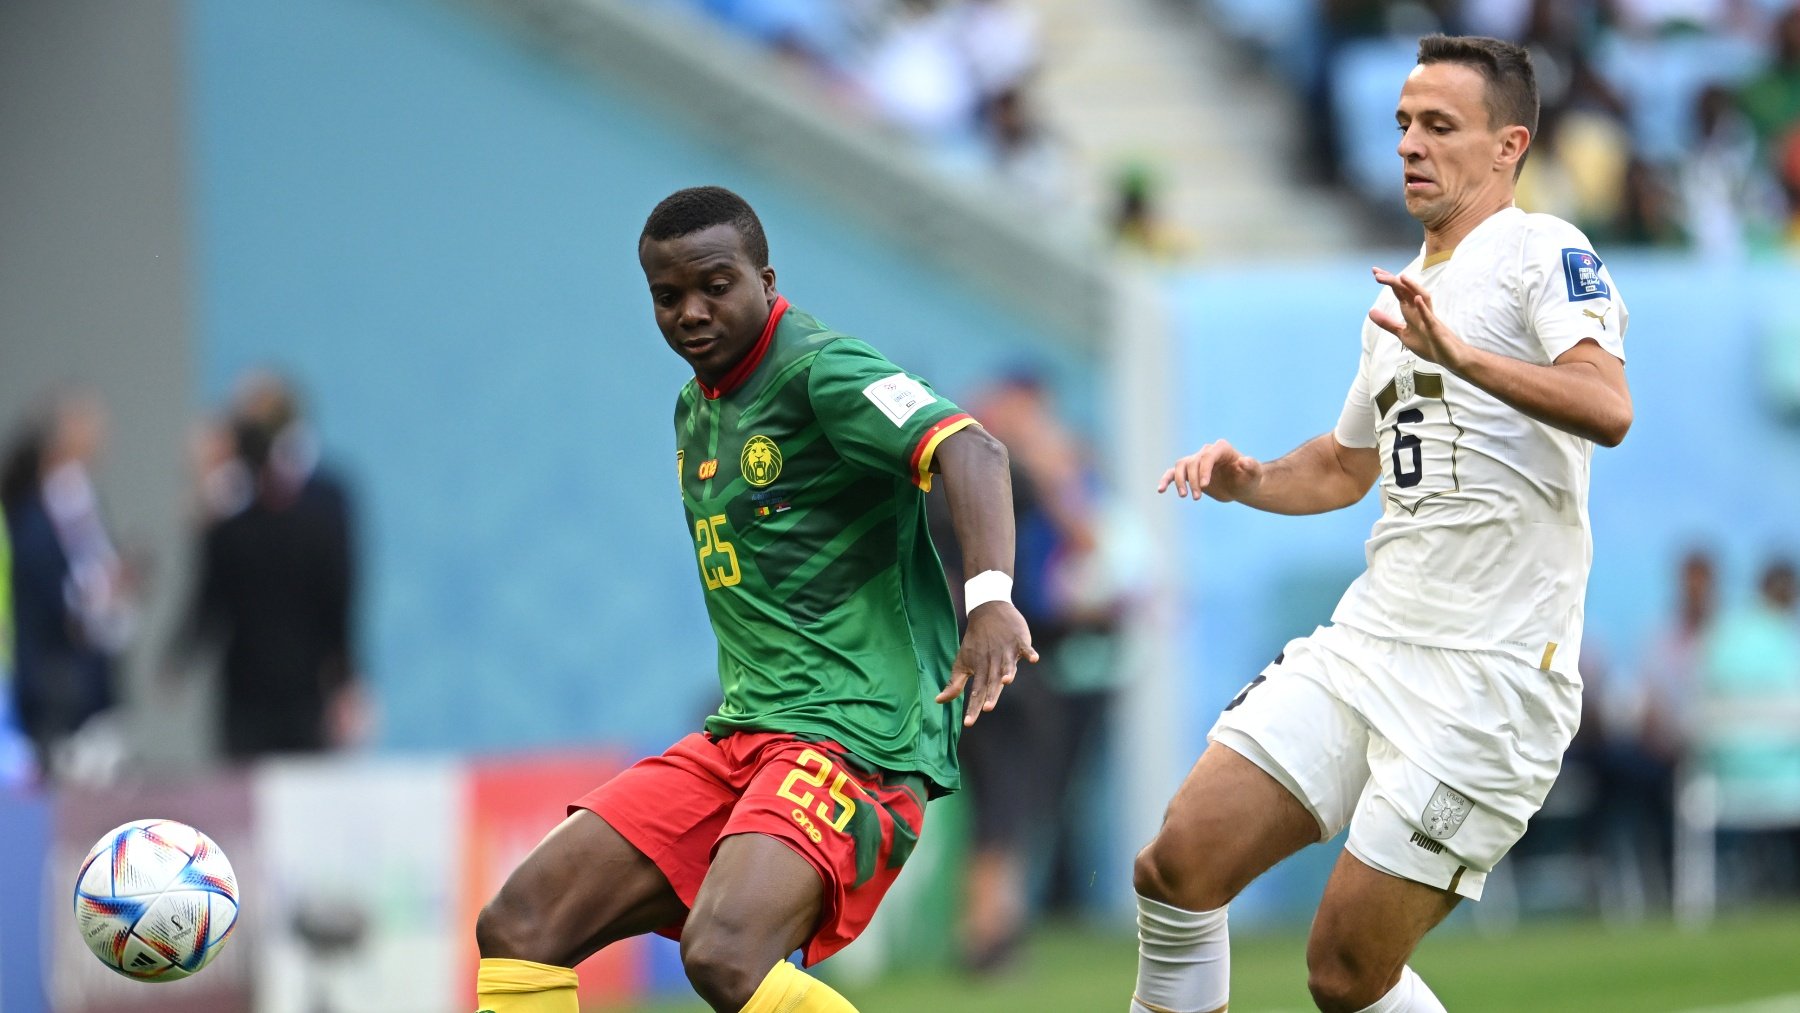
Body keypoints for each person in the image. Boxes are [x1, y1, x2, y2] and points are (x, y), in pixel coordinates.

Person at [1131, 35, 1633, 1013]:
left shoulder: (1545, 250)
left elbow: (1606, 405)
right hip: (1371, 642)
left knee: (1345, 972)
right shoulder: (1396, 301)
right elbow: (1343, 466)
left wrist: (1466, 357)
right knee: (1177, 866)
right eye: (1402, 122)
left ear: (1507, 147)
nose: (1409, 142)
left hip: (1491, 677)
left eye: (1439, 125)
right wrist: (1249, 477)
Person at [473, 186, 1035, 1013]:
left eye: (716, 285)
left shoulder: (820, 370)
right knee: (519, 922)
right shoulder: (696, 405)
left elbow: (973, 447)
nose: (692, 312)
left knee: (726, 953)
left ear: (766, 278)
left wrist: (990, 600)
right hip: (748, 733)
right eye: (669, 296)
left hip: (855, 733)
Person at [169, 373, 362, 760]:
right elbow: (212, 592)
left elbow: (340, 595)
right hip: (246, 691)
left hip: (307, 690)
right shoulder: (230, 508)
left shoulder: (325, 500)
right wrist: (181, 654)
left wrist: (346, 680)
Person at [1, 391, 136, 782]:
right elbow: (44, 578)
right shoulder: (38, 506)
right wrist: (84, 597)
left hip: (87, 676)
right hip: (53, 677)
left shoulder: (81, 498)